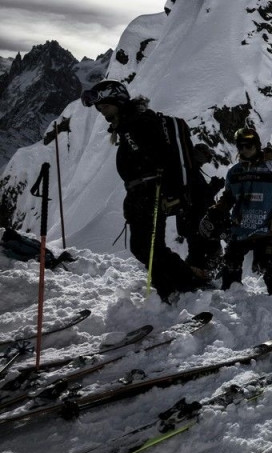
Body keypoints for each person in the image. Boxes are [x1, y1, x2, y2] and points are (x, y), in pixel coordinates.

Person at [82, 80, 217, 302]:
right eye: (99, 107)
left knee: (147, 247)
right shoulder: (130, 124)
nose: (101, 111)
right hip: (143, 194)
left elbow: (160, 157)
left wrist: (165, 189)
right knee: (145, 247)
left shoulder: (138, 123)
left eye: (104, 105)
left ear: (117, 101)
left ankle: (181, 287)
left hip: (151, 194)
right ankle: (180, 284)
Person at [199, 127, 272, 297]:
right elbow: (228, 198)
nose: (244, 150)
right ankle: (231, 300)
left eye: (248, 146)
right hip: (240, 228)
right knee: (231, 264)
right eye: (240, 147)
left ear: (257, 146)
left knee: (268, 265)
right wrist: (215, 212)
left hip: (266, 229)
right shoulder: (234, 172)